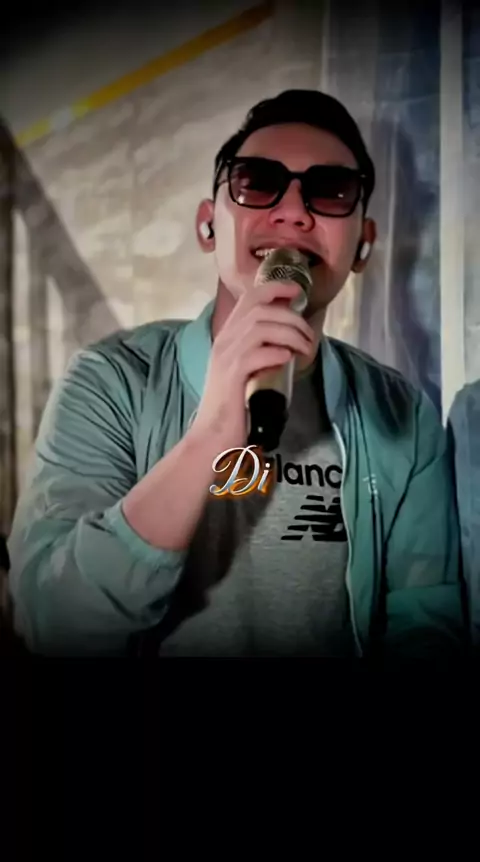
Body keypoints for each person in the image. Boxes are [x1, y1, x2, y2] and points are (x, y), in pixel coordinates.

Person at [7, 89, 466, 660]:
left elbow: (427, 622)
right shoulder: (110, 381)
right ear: (208, 225)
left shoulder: (404, 416)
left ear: (364, 246)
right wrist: (209, 437)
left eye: (331, 191)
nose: (293, 211)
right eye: (257, 182)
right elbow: (52, 621)